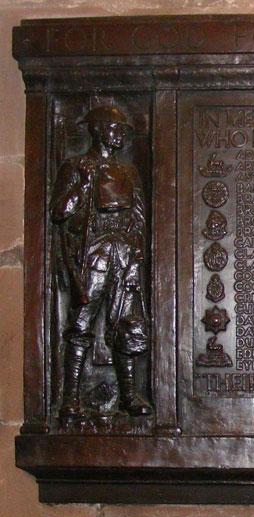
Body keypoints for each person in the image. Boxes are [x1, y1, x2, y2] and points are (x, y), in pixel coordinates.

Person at [50, 106, 150, 423]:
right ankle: (70, 400)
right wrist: (81, 186)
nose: (121, 135)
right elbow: (58, 212)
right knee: (80, 327)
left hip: (123, 252)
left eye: (123, 130)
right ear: (98, 130)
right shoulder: (77, 166)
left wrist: (135, 258)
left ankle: (129, 395)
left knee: (126, 325)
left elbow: (138, 216)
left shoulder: (129, 171)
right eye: (115, 128)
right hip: (93, 253)